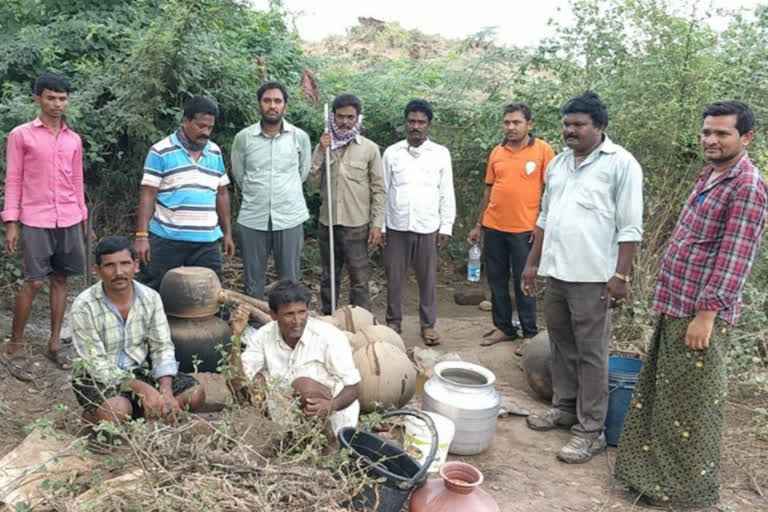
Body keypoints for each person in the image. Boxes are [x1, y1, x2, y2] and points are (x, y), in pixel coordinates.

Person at [615, 101, 768, 508]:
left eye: (722, 133)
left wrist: (707, 315)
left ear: (746, 137)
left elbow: (736, 256)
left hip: (699, 315)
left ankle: (683, 493)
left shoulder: (748, 185)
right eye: (706, 132)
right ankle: (653, 481)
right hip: (675, 305)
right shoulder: (711, 175)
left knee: (690, 411)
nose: (711, 140)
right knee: (663, 399)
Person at [521, 91, 643, 463]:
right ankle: (566, 407)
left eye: (578, 125)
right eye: (566, 124)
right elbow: (544, 218)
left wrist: (620, 275)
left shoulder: (621, 165)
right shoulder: (558, 165)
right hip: (556, 272)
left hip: (594, 278)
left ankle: (591, 432)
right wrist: (531, 264)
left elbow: (630, 227)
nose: (569, 131)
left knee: (592, 354)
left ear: (600, 127)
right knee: (560, 342)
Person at [1, 72, 87, 380]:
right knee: (34, 281)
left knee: (61, 280)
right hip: (35, 217)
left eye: (62, 98)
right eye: (50, 98)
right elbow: (13, 179)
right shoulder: (21, 135)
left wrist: (82, 215)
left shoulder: (73, 139)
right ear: (37, 98)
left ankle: (54, 343)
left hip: (69, 217)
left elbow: (77, 181)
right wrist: (11, 221)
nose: (57, 104)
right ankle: (15, 345)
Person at [71, 236, 205, 424]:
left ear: (136, 265)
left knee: (196, 394)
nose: (119, 272)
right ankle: (98, 416)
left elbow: (162, 347)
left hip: (140, 370)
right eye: (110, 266)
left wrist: (165, 392)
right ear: (97, 271)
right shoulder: (84, 306)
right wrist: (145, 389)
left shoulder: (151, 298)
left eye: (125, 264)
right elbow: (96, 365)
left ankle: (138, 411)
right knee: (117, 410)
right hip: (97, 378)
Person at [467, 103, 555, 354]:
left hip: (525, 230)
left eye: (516, 122)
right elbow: (489, 189)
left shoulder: (543, 151)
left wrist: (541, 223)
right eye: (507, 122)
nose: (511, 127)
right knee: (496, 279)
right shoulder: (497, 152)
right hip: (494, 227)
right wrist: (478, 224)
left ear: (529, 124)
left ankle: (529, 332)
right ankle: (503, 327)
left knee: (524, 281)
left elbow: (552, 190)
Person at [227, 280, 361, 437]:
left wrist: (331, 405)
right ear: (273, 315)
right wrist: (235, 337)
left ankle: (329, 442)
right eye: (289, 314)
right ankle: (290, 437)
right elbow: (236, 382)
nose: (297, 321)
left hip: (334, 415)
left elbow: (354, 387)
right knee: (255, 383)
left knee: (303, 385)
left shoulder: (328, 336)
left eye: (302, 312)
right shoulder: (263, 336)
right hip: (288, 414)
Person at [135, 95, 234, 290]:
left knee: (211, 294)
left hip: (206, 239)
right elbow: (147, 195)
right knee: (154, 290)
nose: (205, 132)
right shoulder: (161, 151)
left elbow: (221, 193)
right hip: (167, 237)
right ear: (185, 120)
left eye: (210, 128)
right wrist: (141, 235)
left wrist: (227, 233)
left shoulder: (214, 152)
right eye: (200, 126)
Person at [382, 99, 456, 345]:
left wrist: (446, 226)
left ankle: (428, 325)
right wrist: (380, 226)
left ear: (429, 125)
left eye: (421, 122)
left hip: (428, 227)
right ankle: (393, 321)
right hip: (397, 226)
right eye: (411, 121)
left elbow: (446, 192)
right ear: (405, 123)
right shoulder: (392, 153)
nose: (416, 126)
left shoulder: (440, 154)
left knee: (427, 279)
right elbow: (383, 190)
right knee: (394, 276)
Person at [231, 82, 312, 299]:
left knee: (290, 281)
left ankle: (288, 328)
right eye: (267, 100)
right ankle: (254, 329)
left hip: (289, 217)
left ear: (285, 105)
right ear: (259, 104)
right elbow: (240, 175)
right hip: (253, 217)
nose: (272, 106)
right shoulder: (243, 138)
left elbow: (302, 173)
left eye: (278, 101)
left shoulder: (299, 137)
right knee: (253, 281)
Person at [308, 93, 386, 315]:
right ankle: (329, 321)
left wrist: (377, 224)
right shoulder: (324, 144)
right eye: (340, 116)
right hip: (328, 222)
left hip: (356, 225)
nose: (344, 122)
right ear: (333, 117)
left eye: (350, 117)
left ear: (358, 118)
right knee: (328, 277)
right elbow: (312, 183)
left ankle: (360, 323)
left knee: (360, 280)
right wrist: (321, 151)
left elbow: (379, 189)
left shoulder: (369, 148)